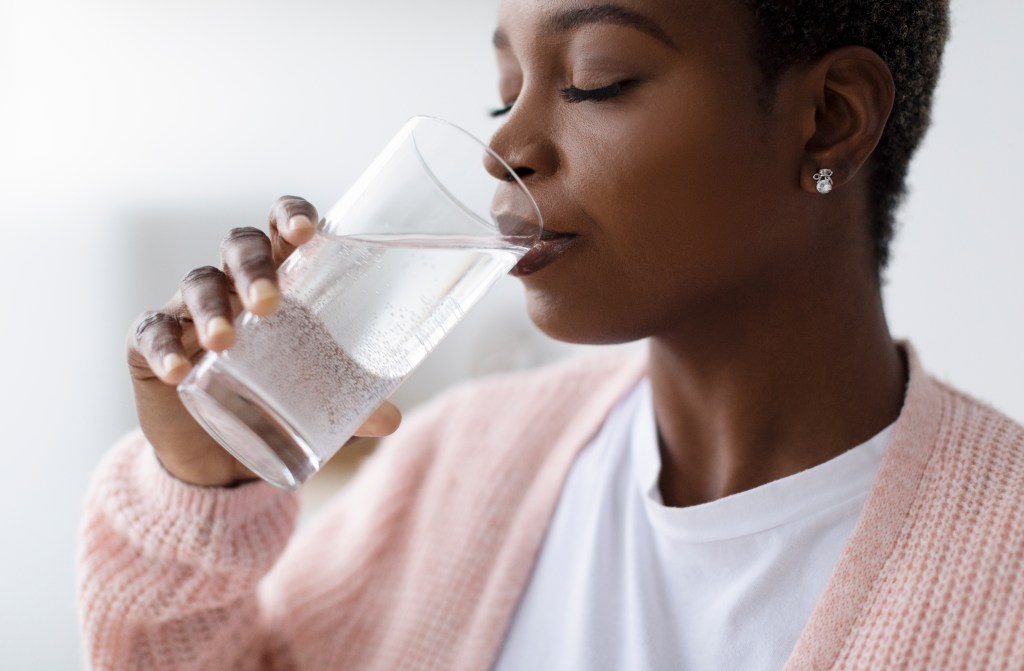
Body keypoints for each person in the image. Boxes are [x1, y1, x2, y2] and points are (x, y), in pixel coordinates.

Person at [77, 0, 1024, 669]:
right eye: (505, 90)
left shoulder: (1004, 568)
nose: (505, 147)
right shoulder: (459, 468)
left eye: (596, 82)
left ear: (830, 119)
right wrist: (201, 490)